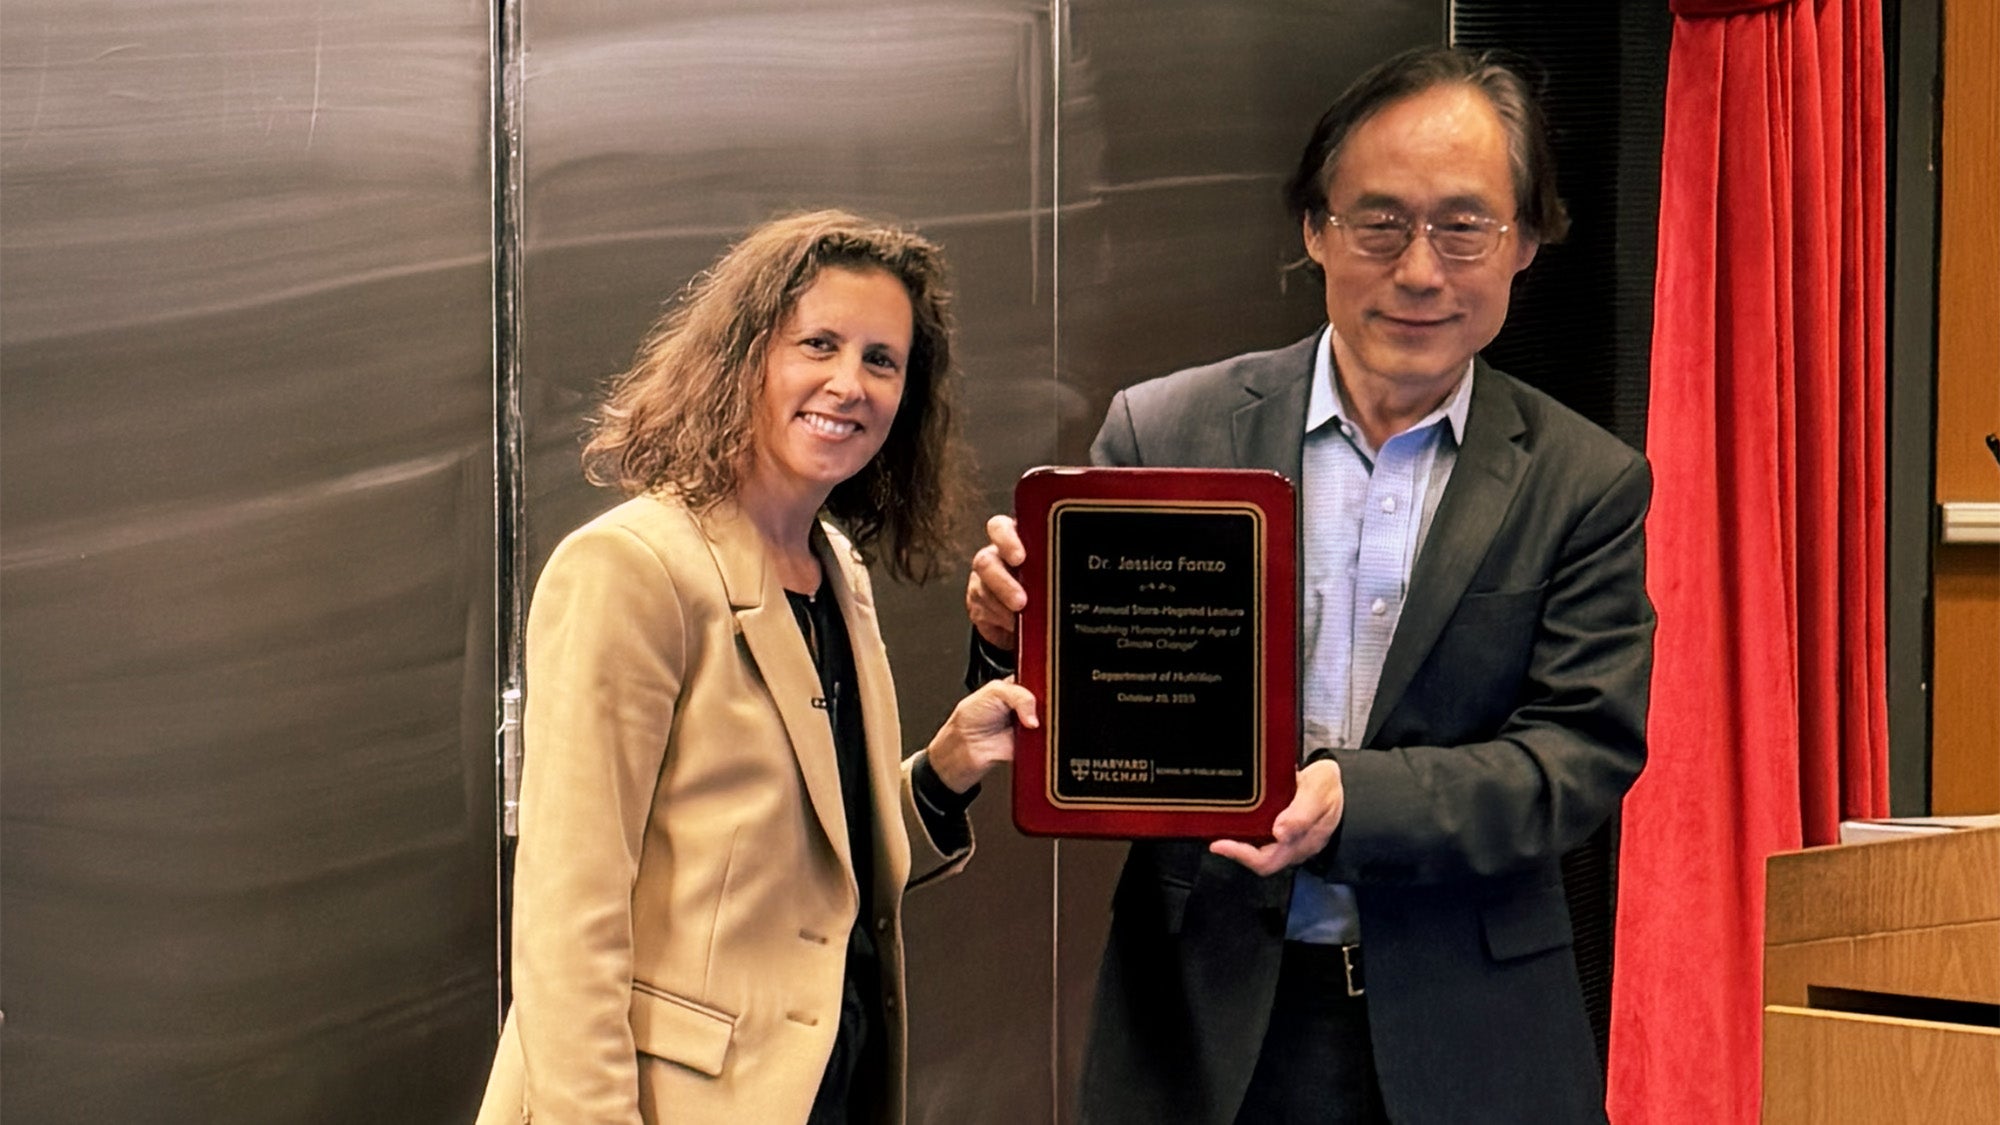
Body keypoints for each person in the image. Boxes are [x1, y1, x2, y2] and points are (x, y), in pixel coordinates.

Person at [965, 47, 1654, 1124]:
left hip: (1469, 1039)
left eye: (1462, 226)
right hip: (1200, 1027)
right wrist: (1018, 633)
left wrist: (1350, 798)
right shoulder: (1165, 429)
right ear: (1312, 231)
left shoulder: (1583, 481)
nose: (1418, 269)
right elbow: (1095, 711)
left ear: (1524, 242)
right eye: (1376, 223)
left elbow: (1576, 759)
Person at [478, 210, 1036, 1125]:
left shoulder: (835, 572)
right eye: (818, 343)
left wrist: (945, 770)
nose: (848, 384)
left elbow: (801, 862)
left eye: (881, 360)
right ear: (745, 357)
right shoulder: (632, 567)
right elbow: (566, 927)